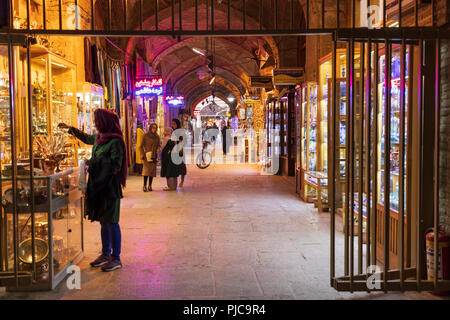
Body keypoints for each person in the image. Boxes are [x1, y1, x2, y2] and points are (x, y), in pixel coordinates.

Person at [58, 108, 127, 272]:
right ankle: (105, 254)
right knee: (103, 221)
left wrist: (93, 162)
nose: (95, 124)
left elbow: (115, 165)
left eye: (97, 121)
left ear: (105, 122)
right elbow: (86, 138)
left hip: (109, 187)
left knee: (112, 222)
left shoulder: (115, 141)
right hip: (97, 186)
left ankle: (116, 257)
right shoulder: (99, 138)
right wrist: (70, 128)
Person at [138, 123, 160, 192]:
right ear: (150, 128)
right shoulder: (145, 136)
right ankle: (144, 185)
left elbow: (159, 145)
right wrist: (141, 154)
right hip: (147, 155)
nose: (154, 129)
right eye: (153, 128)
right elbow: (140, 146)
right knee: (146, 171)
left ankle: (150, 185)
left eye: (155, 128)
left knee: (152, 172)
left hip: (154, 155)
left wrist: (158, 149)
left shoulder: (157, 137)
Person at [171, 119, 187, 188]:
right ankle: (175, 181)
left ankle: (182, 180)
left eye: (174, 124)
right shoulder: (172, 131)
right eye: (172, 124)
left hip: (180, 151)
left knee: (182, 166)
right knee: (174, 166)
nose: (173, 125)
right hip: (174, 151)